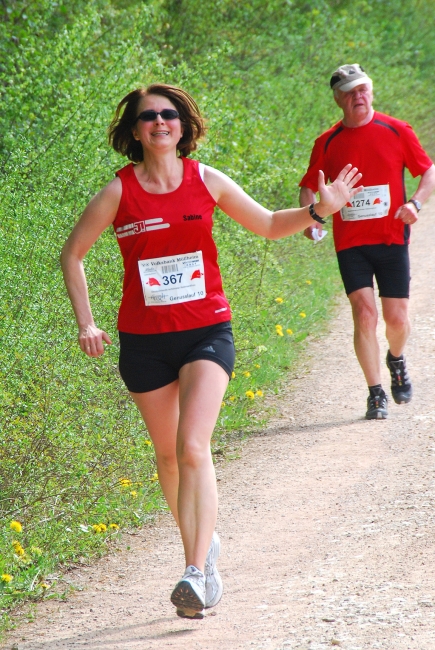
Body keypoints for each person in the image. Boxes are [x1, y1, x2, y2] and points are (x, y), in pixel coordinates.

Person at [60, 83, 362, 619]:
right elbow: (73, 255)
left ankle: (196, 573)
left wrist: (319, 211)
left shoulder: (207, 179)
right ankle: (205, 547)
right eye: (148, 116)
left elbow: (269, 224)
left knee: (193, 445)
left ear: (183, 125)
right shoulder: (119, 191)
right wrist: (87, 322)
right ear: (134, 131)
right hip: (144, 341)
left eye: (169, 114)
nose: (160, 122)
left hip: (206, 332)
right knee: (169, 457)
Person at [299, 64, 435, 420]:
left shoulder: (396, 129)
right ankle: (376, 393)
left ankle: (396, 358)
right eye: (350, 91)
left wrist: (415, 202)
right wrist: (309, 219)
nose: (358, 95)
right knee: (364, 314)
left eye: (363, 89)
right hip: (351, 243)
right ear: (338, 99)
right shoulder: (327, 142)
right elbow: (308, 186)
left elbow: (427, 170)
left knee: (396, 319)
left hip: (391, 239)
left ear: (371, 92)